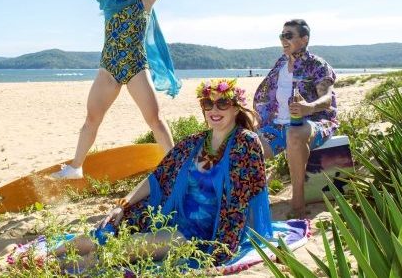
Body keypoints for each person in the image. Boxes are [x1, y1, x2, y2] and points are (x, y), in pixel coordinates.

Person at [21, 79, 272, 271]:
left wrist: (229, 239)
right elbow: (158, 177)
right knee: (105, 231)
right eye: (208, 104)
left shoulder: (245, 143)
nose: (214, 110)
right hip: (171, 216)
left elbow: (243, 196)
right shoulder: (193, 142)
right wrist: (123, 204)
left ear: (236, 108)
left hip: (203, 233)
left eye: (222, 103)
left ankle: (58, 270)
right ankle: (49, 256)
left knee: (127, 248)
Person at [50, 0, 182, 179]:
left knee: (155, 118)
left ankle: (175, 166)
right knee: (91, 118)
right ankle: (76, 167)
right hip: (109, 67)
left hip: (135, 67)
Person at [253, 19, 338, 217]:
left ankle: (298, 204)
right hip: (277, 126)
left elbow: (327, 98)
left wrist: (308, 107)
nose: (283, 39)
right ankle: (256, 200)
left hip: (315, 123)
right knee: (249, 145)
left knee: (293, 134)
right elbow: (266, 95)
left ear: (304, 39)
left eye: (288, 35)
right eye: (282, 35)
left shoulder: (317, 64)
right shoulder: (280, 64)